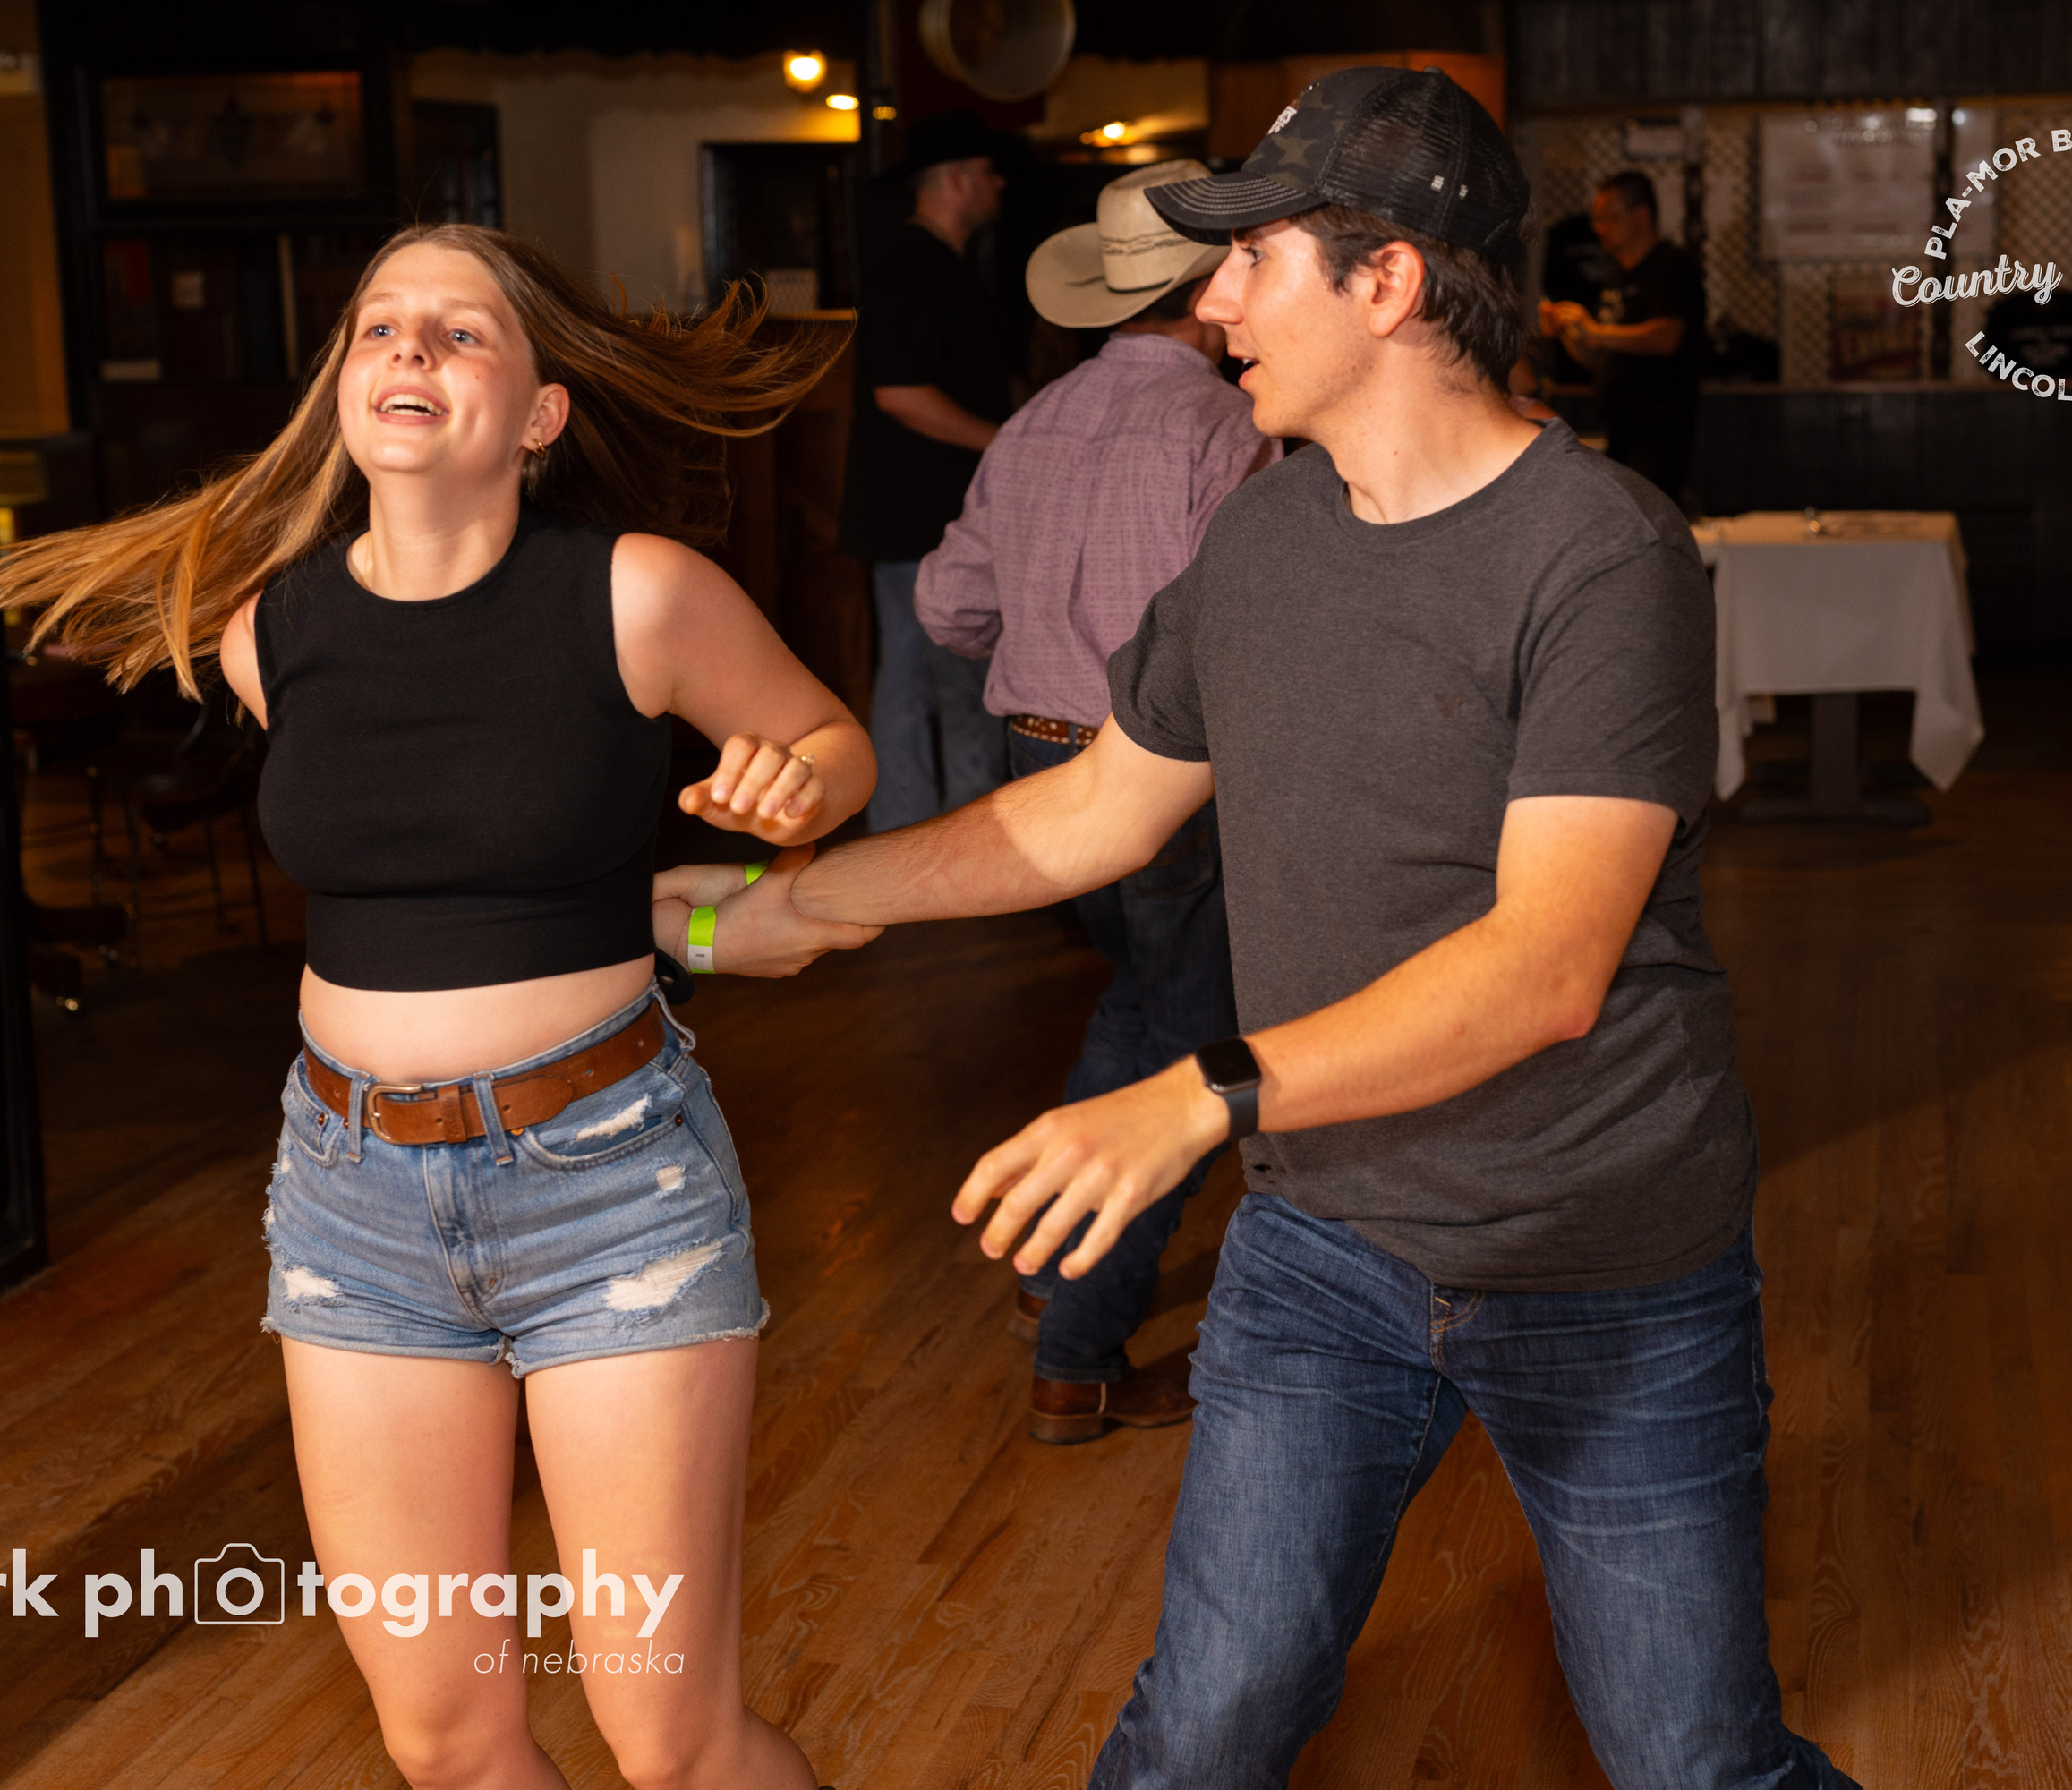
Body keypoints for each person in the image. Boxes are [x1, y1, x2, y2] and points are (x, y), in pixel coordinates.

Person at [679, 65, 1856, 1790]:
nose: (1215, 301)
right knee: (1205, 1733)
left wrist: (1194, 1097)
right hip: (1327, 1247)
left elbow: (1545, 967)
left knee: (1694, 1761)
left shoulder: (1600, 554)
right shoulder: (1264, 535)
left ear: (1387, 285)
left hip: (1601, 1256)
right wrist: (791, 905)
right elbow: (1095, 808)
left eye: (1253, 258)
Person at [0, 225, 880, 1790]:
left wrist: (796, 788)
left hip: (607, 1188)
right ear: (345, 388)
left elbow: (834, 743)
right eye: (381, 326)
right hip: (352, 1208)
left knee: (669, 1738)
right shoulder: (271, 630)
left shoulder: (637, 595)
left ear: (539, 414)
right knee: (445, 1743)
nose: (409, 349)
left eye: (462, 332)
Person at [917, 161, 1277, 1442]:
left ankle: (1051, 1270)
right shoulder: (1224, 429)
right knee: (1180, 1045)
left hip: (1036, 763)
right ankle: (1078, 1355)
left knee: (1141, 1005)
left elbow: (947, 606)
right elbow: (1239, 630)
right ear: (1207, 290)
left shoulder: (1033, 422)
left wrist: (1048, 636)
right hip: (1157, 772)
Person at [840, 111, 1016, 831]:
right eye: (990, 172)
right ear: (958, 180)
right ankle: (964, 840)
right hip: (924, 517)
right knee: (954, 681)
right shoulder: (914, 268)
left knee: (916, 678)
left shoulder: (934, 265)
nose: (1000, 186)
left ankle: (909, 835)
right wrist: (1005, 442)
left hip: (916, 514)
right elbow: (900, 392)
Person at [1539, 168, 1704, 506]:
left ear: (1640, 216)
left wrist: (1595, 331)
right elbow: (1595, 357)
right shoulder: (1616, 277)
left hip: (1658, 430)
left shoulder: (1671, 266)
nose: (1600, 228)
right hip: (1619, 426)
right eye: (1597, 219)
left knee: (1648, 513)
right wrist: (1566, 331)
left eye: (1609, 218)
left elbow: (1667, 336)